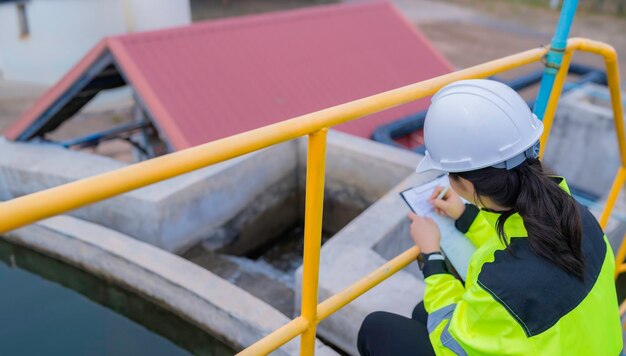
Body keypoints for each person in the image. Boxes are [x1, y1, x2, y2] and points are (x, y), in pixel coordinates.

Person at [357, 79, 623, 355]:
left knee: (377, 329)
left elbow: (450, 344)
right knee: (422, 312)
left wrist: (431, 259)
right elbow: (523, 245)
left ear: (466, 186)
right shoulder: (577, 215)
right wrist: (467, 218)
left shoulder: (498, 284)